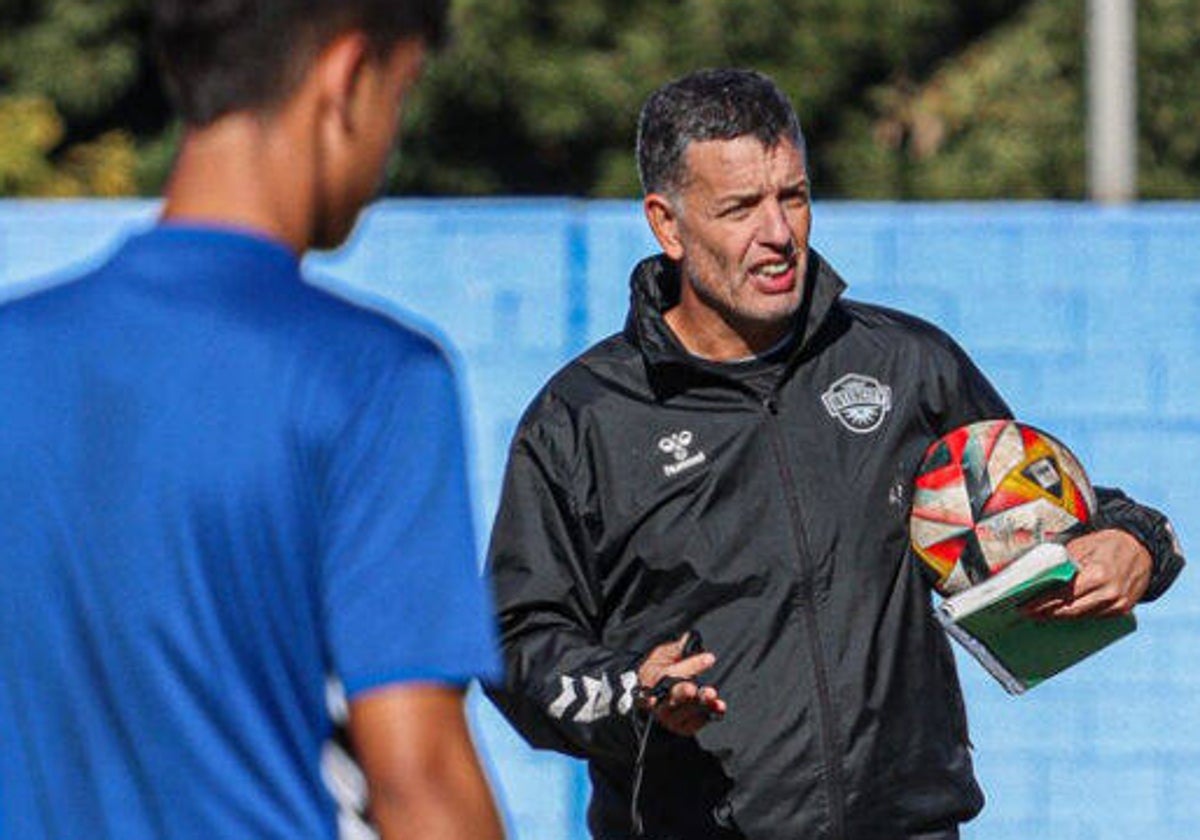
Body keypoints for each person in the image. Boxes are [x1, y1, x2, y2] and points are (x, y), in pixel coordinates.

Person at [484, 68, 1185, 840]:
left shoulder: (905, 365)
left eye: (793, 195)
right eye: (741, 207)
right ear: (668, 224)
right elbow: (517, 649)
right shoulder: (582, 420)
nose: (779, 233)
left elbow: (1054, 507)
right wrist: (634, 695)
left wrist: (1133, 545)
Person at [0, 2, 505, 839]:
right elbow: (421, 786)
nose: (391, 145)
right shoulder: (376, 383)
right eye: (402, 94)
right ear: (345, 78)